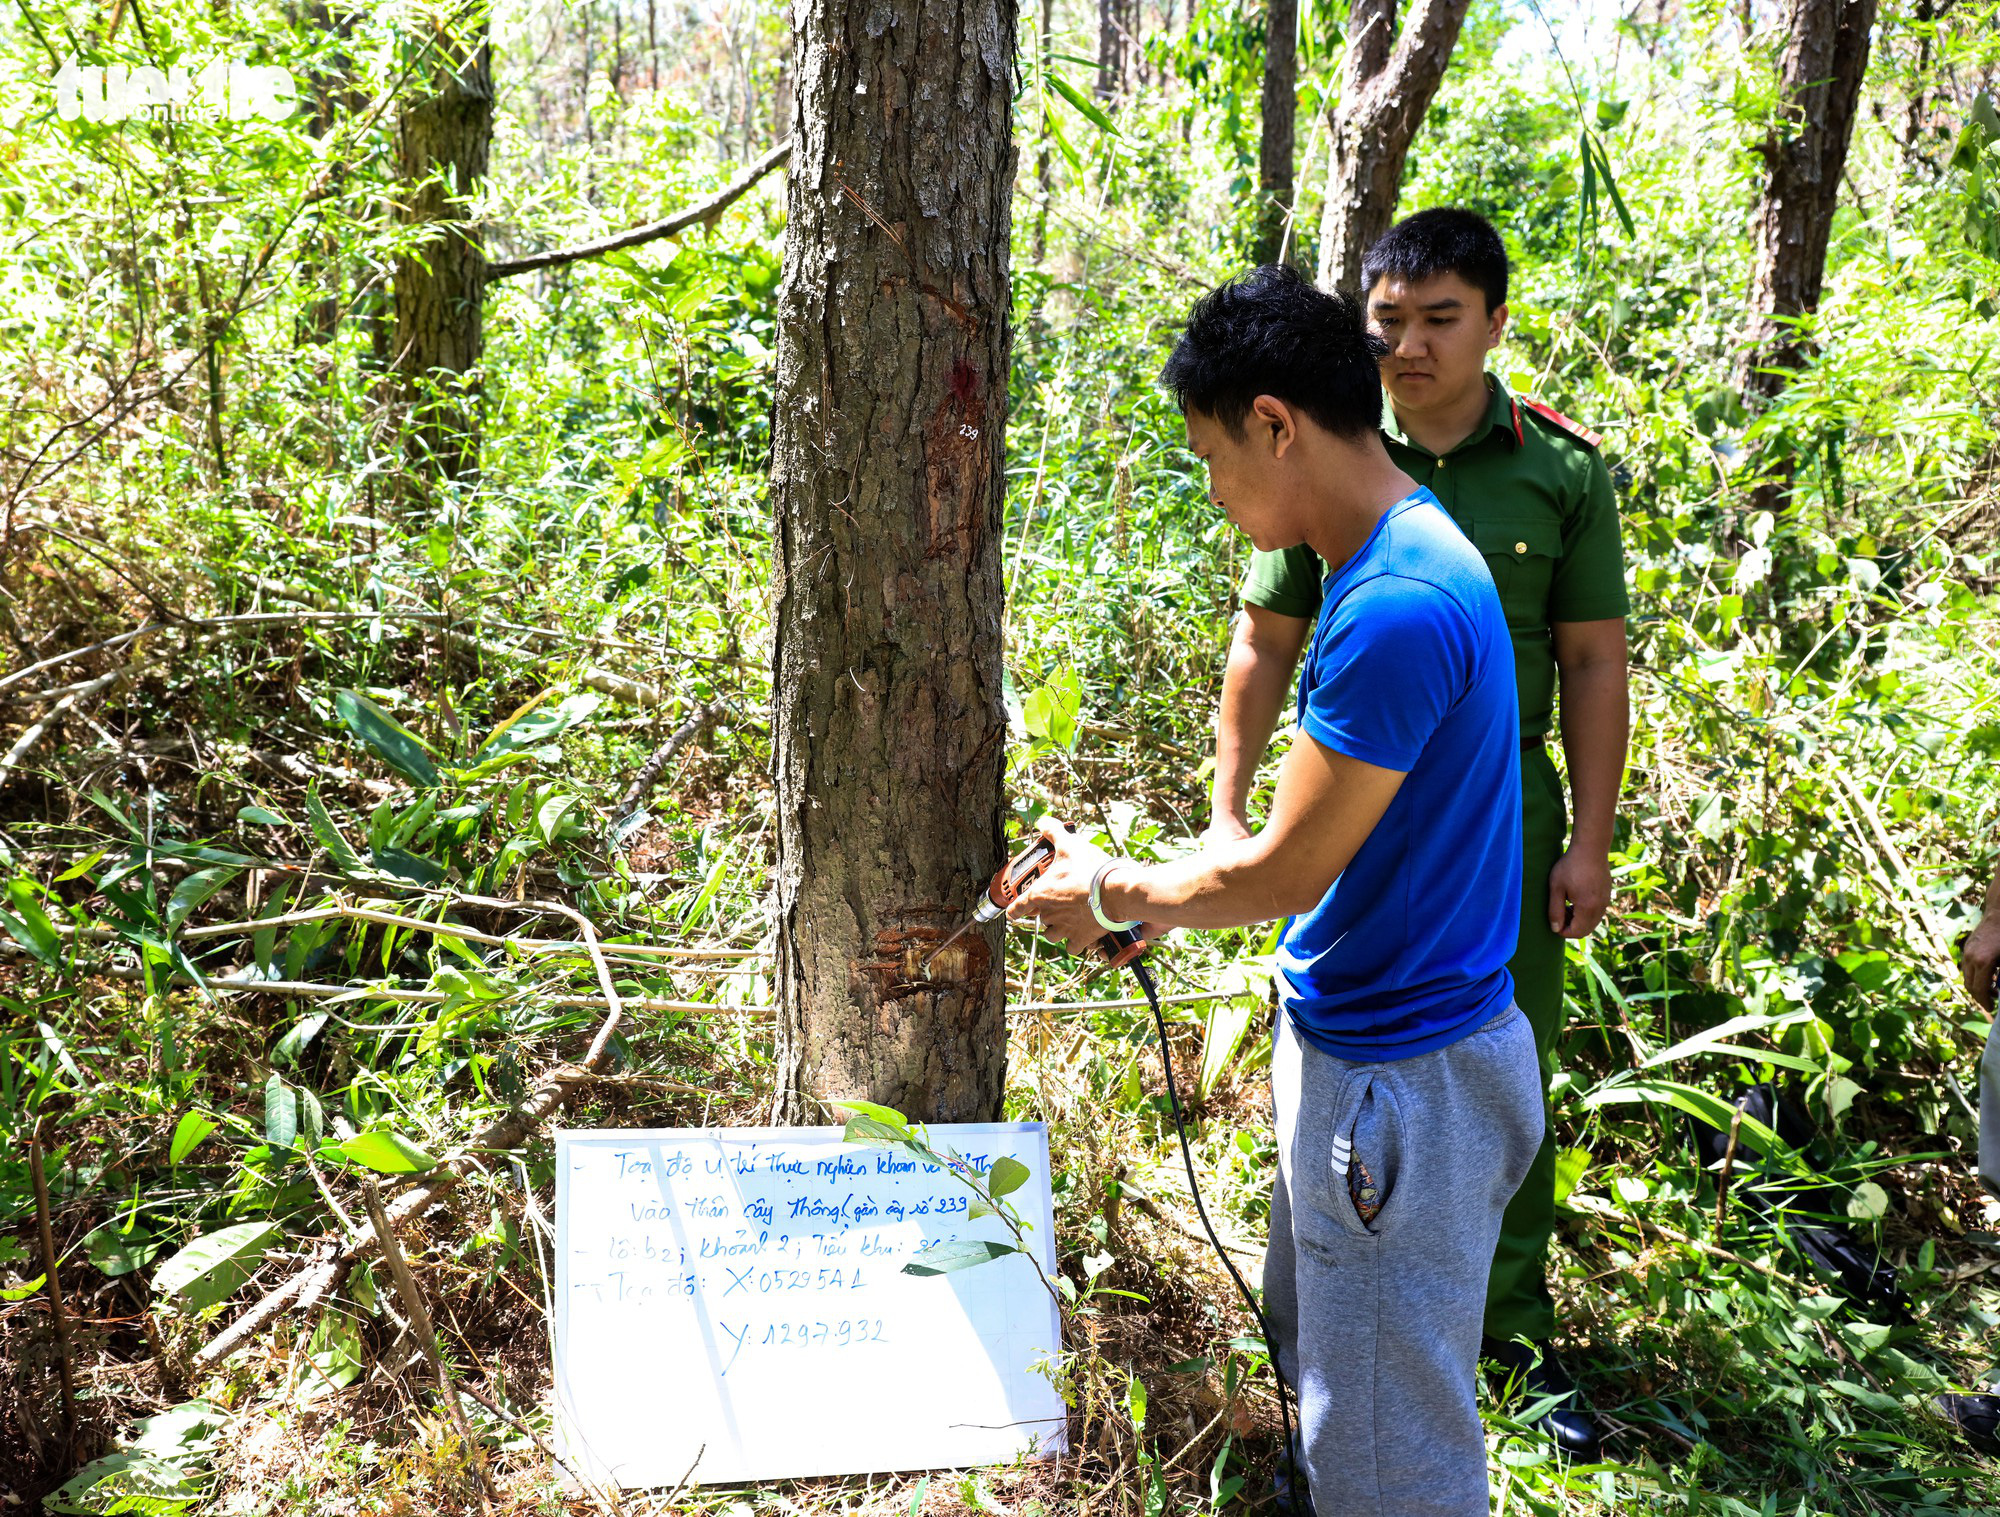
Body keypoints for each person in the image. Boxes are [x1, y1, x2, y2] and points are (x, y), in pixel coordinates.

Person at [1013, 264, 1542, 1517]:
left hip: (1402, 1089)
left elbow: (1281, 866)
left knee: (1387, 1448)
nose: (1210, 488)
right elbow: (1327, 849)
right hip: (1382, 1061)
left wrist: (1112, 889)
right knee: (1346, 1394)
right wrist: (1143, 889)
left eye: (1209, 454)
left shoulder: (1397, 604)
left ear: (1272, 421)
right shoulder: (1391, 558)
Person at [1205, 208, 1628, 1458]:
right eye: (1387, 320)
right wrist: (1226, 823)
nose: (1410, 345)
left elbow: (1594, 658)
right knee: (1377, 1088)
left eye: (1440, 318)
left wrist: (1587, 837)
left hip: (1493, 803)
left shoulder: (1539, 474)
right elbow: (1261, 646)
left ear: (1493, 321)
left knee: (1458, 1084)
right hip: (1349, 803)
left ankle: (1484, 1342)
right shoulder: (1346, 462)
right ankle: (1348, 1361)